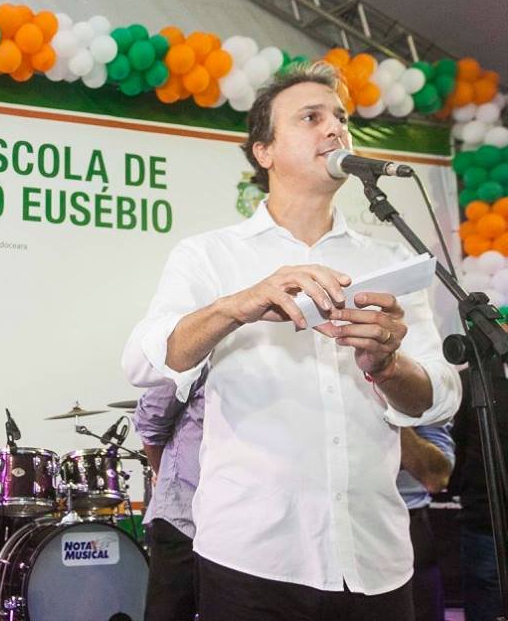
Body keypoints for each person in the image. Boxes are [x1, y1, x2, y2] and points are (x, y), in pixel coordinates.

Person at [122, 63, 461, 621]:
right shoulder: (210, 256)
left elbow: (441, 395)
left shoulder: (390, 262)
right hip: (253, 557)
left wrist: (389, 365)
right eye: (311, 117)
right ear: (265, 152)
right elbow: (143, 361)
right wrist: (238, 305)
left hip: (376, 556)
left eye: (341, 119)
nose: (335, 130)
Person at [133, 371, 205, 621]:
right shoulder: (199, 348)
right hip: (183, 519)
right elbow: (149, 420)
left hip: (238, 525)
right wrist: (161, 471)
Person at [450, 364, 508, 621]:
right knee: (486, 605)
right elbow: (458, 445)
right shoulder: (472, 379)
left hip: (481, 521)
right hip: (485, 522)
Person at [396, 425, 455, 621]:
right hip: (315, 525)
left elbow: (436, 478)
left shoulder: (423, 397)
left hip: (404, 524)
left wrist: (381, 407)